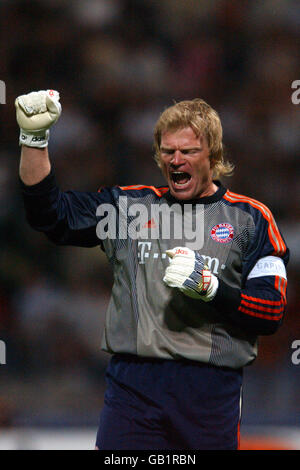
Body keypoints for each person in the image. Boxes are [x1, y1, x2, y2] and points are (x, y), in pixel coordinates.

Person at [16, 90, 289, 450]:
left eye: (188, 151)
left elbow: (270, 311)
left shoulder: (252, 219)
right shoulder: (127, 209)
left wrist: (211, 288)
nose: (176, 160)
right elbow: (50, 215)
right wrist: (34, 141)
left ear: (214, 156)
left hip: (208, 391)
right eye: (168, 151)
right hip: (133, 386)